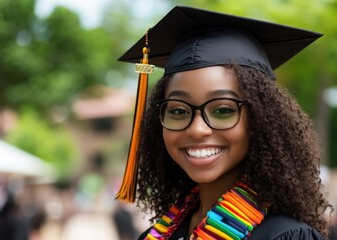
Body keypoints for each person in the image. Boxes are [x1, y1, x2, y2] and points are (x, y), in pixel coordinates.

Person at [116, 6, 332, 240]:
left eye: (222, 110)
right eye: (178, 110)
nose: (197, 129)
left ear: (259, 120)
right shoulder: (156, 235)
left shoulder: (288, 236)